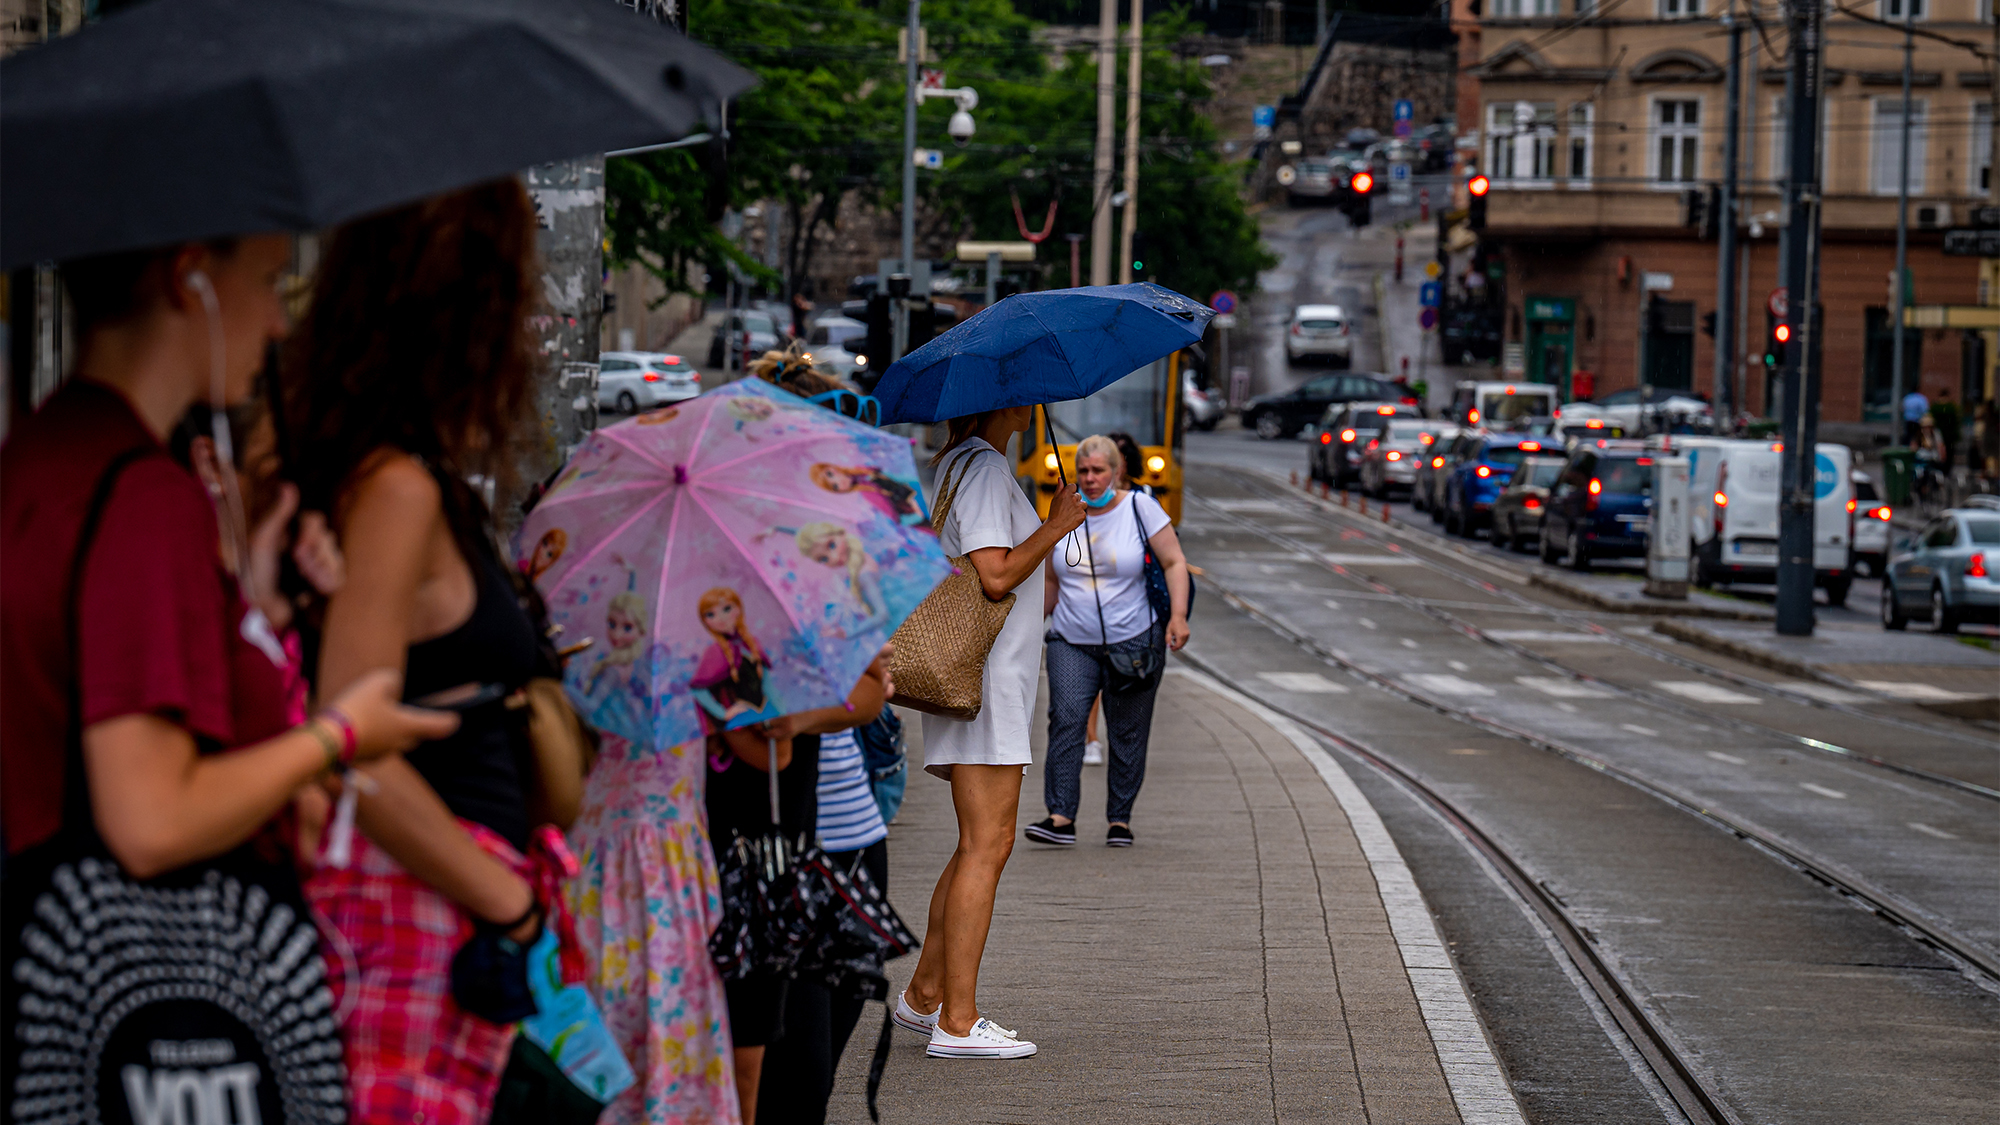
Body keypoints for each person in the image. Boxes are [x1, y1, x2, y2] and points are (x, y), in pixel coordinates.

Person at [0, 237, 454, 1071]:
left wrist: (251, 609)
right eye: (268, 281)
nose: (282, 324)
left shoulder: (39, 454)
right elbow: (152, 818)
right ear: (190, 277)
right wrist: (340, 735)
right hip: (149, 1024)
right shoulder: (142, 497)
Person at [284, 181, 564, 1124]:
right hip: (419, 913)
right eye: (514, 289)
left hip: (439, 903)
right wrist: (507, 902)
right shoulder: (397, 486)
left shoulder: (395, 469)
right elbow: (354, 739)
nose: (531, 317)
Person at [890, 407, 1086, 1061]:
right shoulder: (980, 466)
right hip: (988, 685)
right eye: (1027, 396)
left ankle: (925, 996)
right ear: (1003, 403)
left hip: (986, 682)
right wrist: (1056, 526)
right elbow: (995, 573)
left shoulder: (967, 464)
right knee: (988, 844)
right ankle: (958, 1019)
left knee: (976, 843)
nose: (1037, 407)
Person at [1026, 434, 1191, 849]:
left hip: (1134, 640)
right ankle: (1060, 816)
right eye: (1083, 471)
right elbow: (1050, 579)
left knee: (1127, 730)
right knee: (1065, 719)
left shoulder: (1141, 508)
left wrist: (1178, 616)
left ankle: (1120, 819)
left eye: (1099, 470)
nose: (1090, 478)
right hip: (1071, 639)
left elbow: (1174, 562)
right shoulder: (1064, 515)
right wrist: (1027, 628)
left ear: (1116, 472)